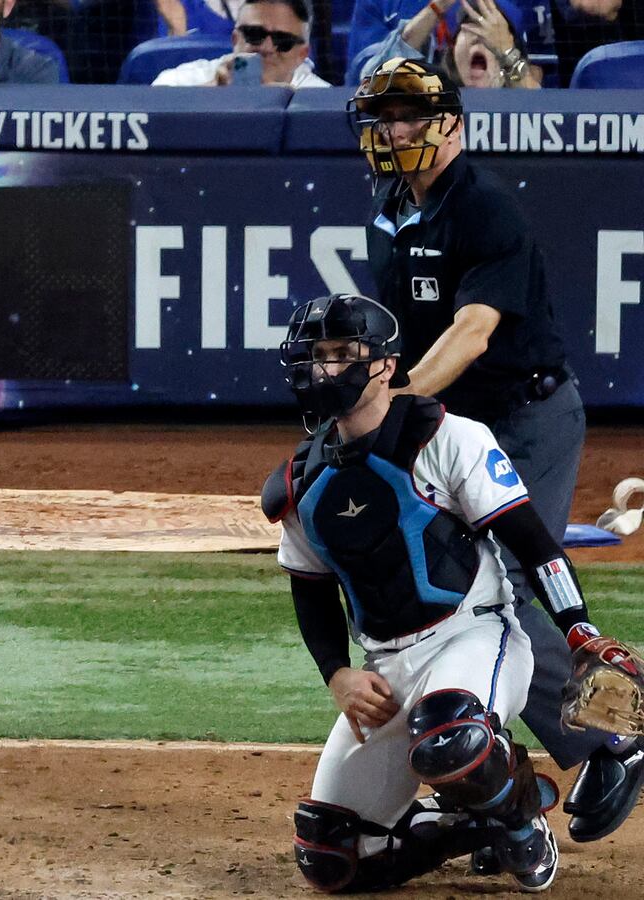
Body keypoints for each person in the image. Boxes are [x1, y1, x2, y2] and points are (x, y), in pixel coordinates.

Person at [350, 56, 644, 843]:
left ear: (451, 122)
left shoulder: (484, 211)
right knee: (438, 588)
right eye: (382, 116)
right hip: (448, 426)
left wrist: (399, 399)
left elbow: (471, 332)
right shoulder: (390, 206)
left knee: (513, 585)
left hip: (524, 417)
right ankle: (488, 778)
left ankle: (613, 741)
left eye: (407, 114)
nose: (392, 130)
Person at [264, 293, 636, 892]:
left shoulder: (448, 438)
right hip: (386, 666)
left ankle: (517, 818)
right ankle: (469, 824)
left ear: (384, 365)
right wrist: (337, 674)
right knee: (332, 857)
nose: (323, 369)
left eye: (340, 355)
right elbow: (310, 592)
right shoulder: (299, 482)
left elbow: (534, 543)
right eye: (315, 356)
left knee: (450, 735)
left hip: (478, 633)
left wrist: (578, 628)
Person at [355, 0, 541, 88]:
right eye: (469, 28)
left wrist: (508, 55)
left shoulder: (517, 104)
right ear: (451, 50)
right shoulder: (429, 105)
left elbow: (539, 110)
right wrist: (436, 7)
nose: (479, 38)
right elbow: (370, 85)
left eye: (491, 33)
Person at [152, 0, 330, 87]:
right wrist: (210, 96)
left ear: (302, 54)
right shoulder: (181, 80)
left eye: (283, 41)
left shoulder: (319, 96)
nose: (267, 48)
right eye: (255, 34)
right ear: (235, 39)